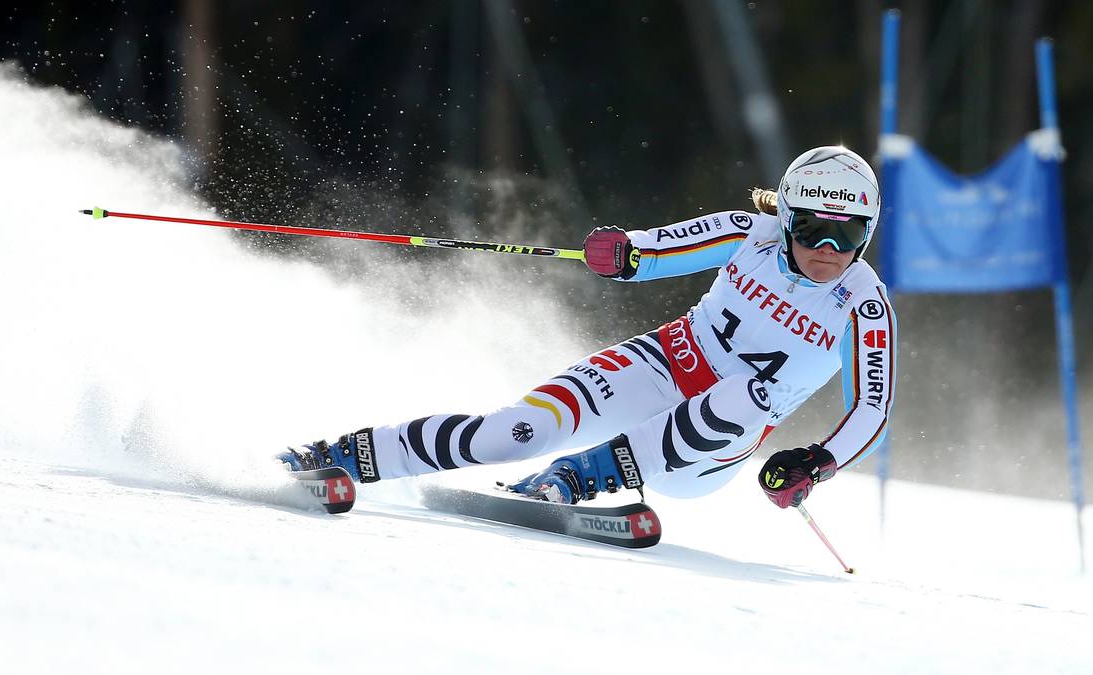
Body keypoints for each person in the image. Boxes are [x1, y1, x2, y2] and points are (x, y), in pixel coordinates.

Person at [279, 146, 896, 510]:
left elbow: (871, 408)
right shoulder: (747, 232)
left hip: (706, 450)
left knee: (747, 394)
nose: (829, 248)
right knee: (517, 430)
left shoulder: (863, 305)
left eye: (849, 234)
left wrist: (818, 462)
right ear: (785, 216)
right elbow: (649, 252)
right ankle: (340, 457)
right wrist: (619, 251)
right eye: (815, 226)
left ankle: (579, 477)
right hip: (663, 364)